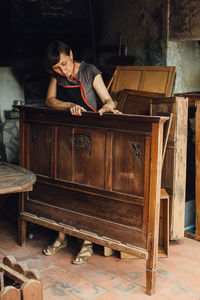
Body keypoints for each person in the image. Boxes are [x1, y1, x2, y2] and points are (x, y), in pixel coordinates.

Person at [43, 40, 121, 265]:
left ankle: (86, 242)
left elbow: (107, 99)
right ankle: (62, 236)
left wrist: (106, 107)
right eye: (57, 68)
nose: (63, 70)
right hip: (66, 136)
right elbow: (49, 100)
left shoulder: (89, 71)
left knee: (86, 188)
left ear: (71, 55)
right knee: (63, 185)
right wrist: (68, 106)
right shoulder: (56, 74)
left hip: (91, 135)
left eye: (65, 64)